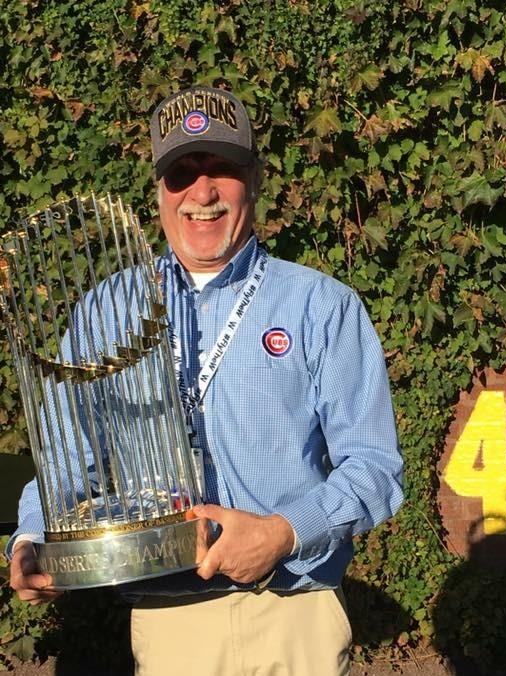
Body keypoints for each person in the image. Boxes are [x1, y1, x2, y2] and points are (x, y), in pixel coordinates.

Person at [8, 85, 404, 676]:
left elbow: (374, 465)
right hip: (171, 624)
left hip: (295, 614)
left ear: (255, 177)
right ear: (159, 190)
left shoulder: (322, 305)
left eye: (221, 167)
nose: (203, 192)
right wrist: (30, 540)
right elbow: (69, 461)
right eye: (182, 173)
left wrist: (285, 532)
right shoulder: (105, 311)